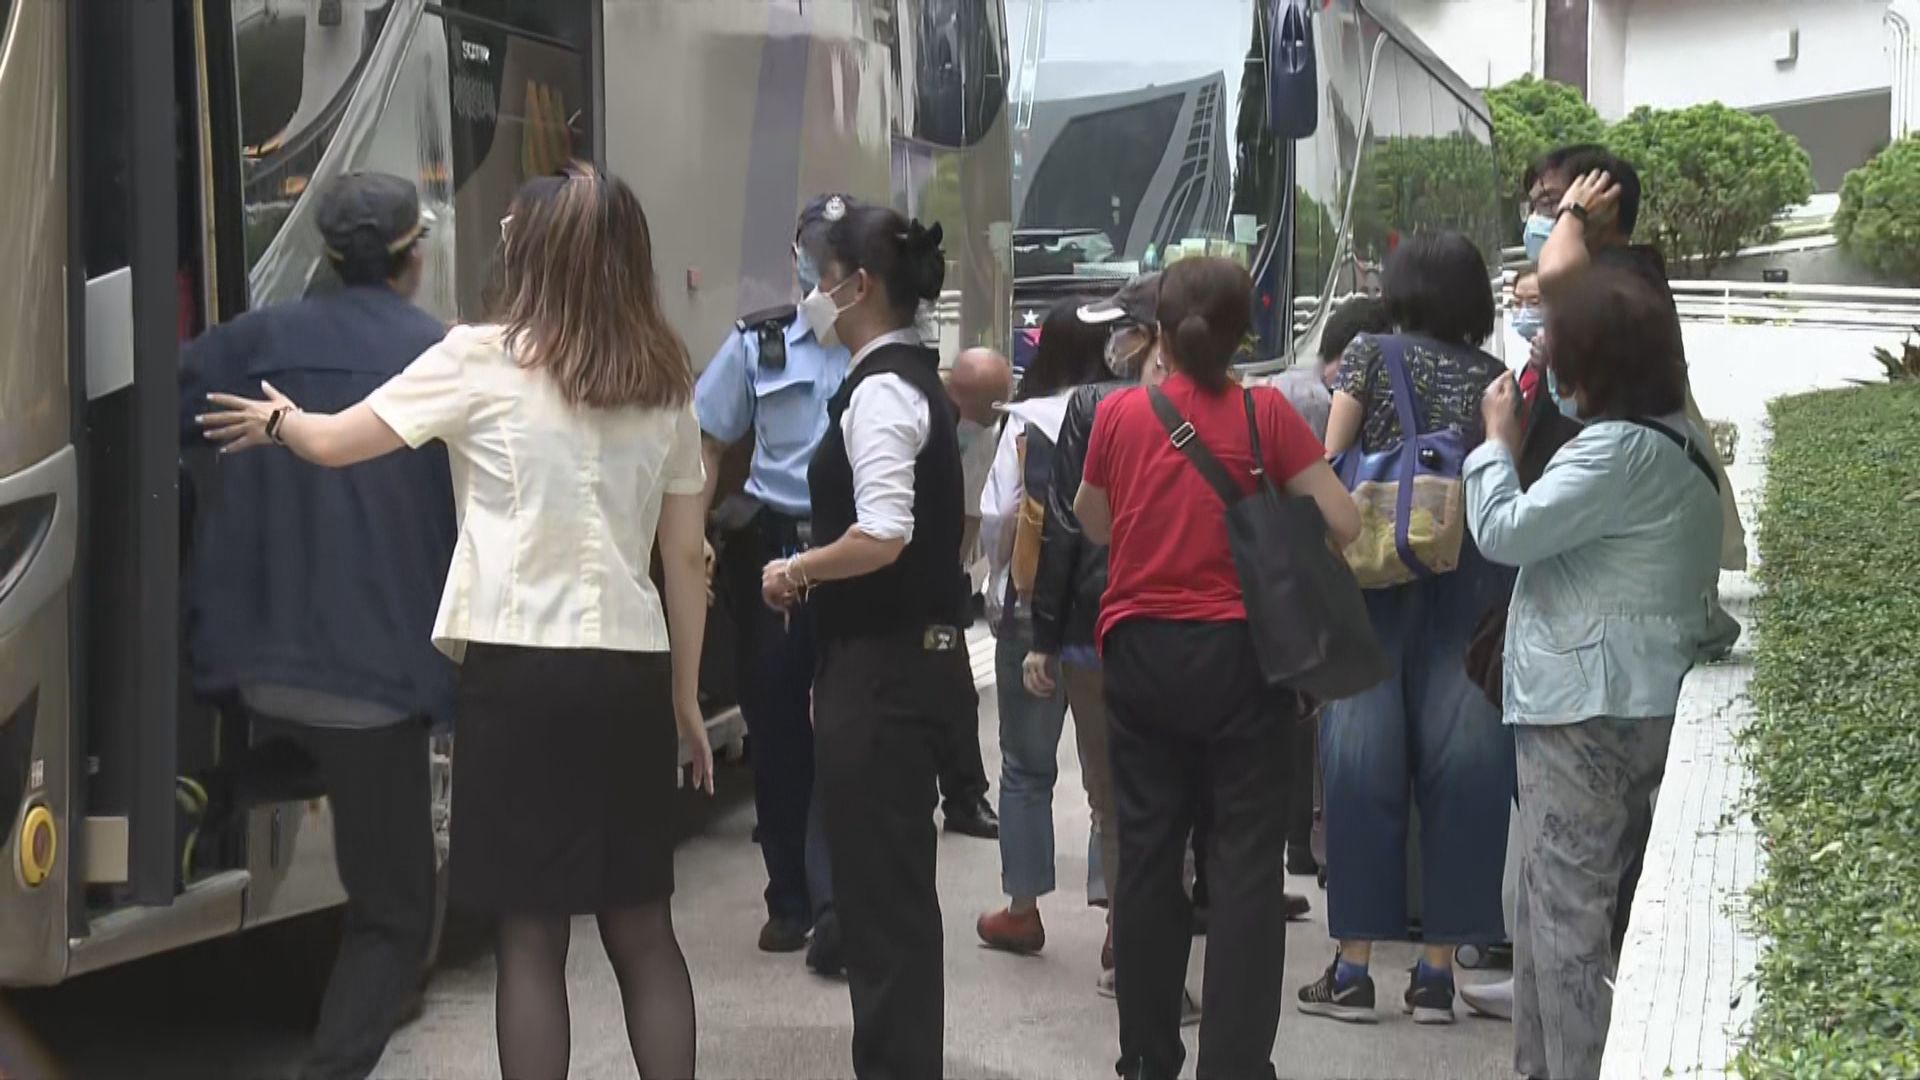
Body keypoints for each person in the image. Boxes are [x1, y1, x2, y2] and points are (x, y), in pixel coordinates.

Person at [199, 163, 711, 1080]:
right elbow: (683, 561)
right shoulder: (664, 377)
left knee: (531, 936)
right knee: (642, 929)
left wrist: (277, 423)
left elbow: (335, 440)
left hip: (520, 673)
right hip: (629, 673)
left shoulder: (479, 357)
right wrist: (683, 703)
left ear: (538, 255)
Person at [177, 172, 455, 1080]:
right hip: (374, 680)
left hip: (261, 664)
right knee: (396, 912)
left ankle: (217, 789)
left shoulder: (256, 340)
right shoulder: (440, 355)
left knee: (319, 746)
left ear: (327, 258)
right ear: (414, 258)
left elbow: (169, 408)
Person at [1075, 256, 1361, 1080]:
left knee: (1149, 856)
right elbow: (1341, 522)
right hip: (1243, 661)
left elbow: (1094, 524)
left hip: (1140, 656)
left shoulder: (1121, 417)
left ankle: (1146, 1056)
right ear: (1246, 332)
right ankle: (1234, 1064)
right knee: (1242, 865)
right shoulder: (1267, 414)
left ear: (1158, 334)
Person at [1465, 265, 1730, 1080]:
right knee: (1553, 909)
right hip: (1637, 695)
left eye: (1556, 343)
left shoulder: (1614, 451)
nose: (1543, 355)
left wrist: (1496, 445)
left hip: (1580, 710)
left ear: (1598, 358)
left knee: (1566, 919)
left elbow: (1502, 530)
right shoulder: (1678, 439)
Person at [759, 206, 971, 1080]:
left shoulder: (882, 391)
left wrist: (794, 571)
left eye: (820, 274)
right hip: (894, 666)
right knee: (892, 898)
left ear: (860, 286)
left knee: (880, 905)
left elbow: (882, 533)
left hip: (883, 675)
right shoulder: (908, 379)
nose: (812, 293)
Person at [1301, 232, 1518, 1027]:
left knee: (1360, 763)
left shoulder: (1367, 354)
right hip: (1470, 577)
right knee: (1465, 770)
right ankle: (1435, 977)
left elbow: (1329, 459)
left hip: (1373, 577)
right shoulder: (1498, 380)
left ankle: (1353, 971)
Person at [695, 193, 854, 967]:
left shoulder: (882, 346)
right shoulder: (758, 346)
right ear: (797, 259)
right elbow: (707, 439)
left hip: (854, 561)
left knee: (851, 734)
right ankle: (789, 897)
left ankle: (838, 904)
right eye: (813, 253)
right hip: (774, 564)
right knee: (781, 735)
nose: (821, 270)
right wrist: (692, 535)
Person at [1525, 144, 1745, 572]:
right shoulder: (1619, 271)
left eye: (1553, 201)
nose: (1542, 217)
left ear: (1600, 202)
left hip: (1611, 503)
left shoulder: (1619, 277)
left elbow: (1552, 276)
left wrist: (1573, 216)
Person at [974, 298, 1112, 957]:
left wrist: (1000, 582)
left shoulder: (1026, 422)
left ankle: (1024, 909)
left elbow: (999, 516)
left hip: (1033, 607)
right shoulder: (1124, 412)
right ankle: (1120, 920)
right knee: (1110, 773)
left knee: (1027, 767)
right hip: (1106, 606)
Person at [938, 346, 1011, 841]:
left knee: (956, 692)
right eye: (985, 410)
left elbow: (972, 509)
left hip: (938, 576)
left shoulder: (982, 432)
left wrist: (954, 572)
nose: (989, 422)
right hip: (886, 564)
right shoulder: (917, 413)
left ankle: (965, 796)